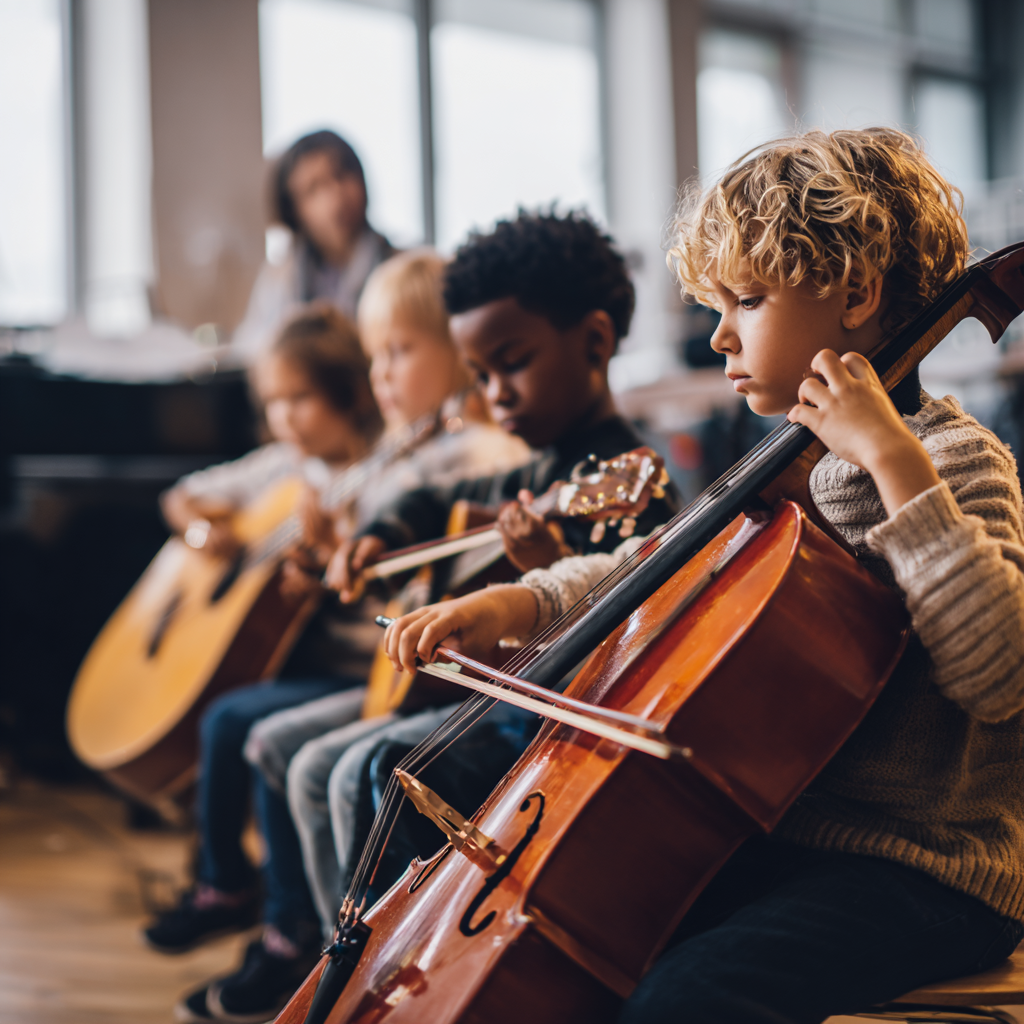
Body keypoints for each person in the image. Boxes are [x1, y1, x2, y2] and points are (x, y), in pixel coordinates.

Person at [384, 128, 1024, 1023]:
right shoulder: (794, 458)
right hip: (785, 831)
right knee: (581, 919)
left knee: (686, 998)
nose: (717, 333)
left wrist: (893, 462)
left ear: (856, 293)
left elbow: (997, 675)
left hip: (925, 867)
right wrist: (523, 600)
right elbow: (662, 562)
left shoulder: (955, 462)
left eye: (746, 300)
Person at [269, 210, 680, 937]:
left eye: (512, 364)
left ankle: (393, 969)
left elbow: (629, 645)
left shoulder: (625, 475)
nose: (494, 394)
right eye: (482, 374)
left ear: (594, 341)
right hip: (495, 701)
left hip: (559, 728)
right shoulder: (531, 469)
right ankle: (339, 966)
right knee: (329, 764)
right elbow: (427, 497)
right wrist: (379, 535)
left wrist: (543, 573)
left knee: (372, 768)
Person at [171, 250, 528, 1024]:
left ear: (459, 348)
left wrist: (364, 561)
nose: (382, 375)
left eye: (399, 351)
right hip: (380, 670)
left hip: (408, 676)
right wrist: (335, 557)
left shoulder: (481, 456)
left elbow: (452, 587)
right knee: (261, 734)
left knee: (281, 745)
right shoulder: (405, 454)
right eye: (375, 358)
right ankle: (298, 933)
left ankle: (328, 944)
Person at [231, 130, 395, 362]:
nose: (335, 197)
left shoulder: (398, 266)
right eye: (314, 188)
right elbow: (254, 353)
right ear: (293, 210)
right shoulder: (279, 278)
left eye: (342, 175)